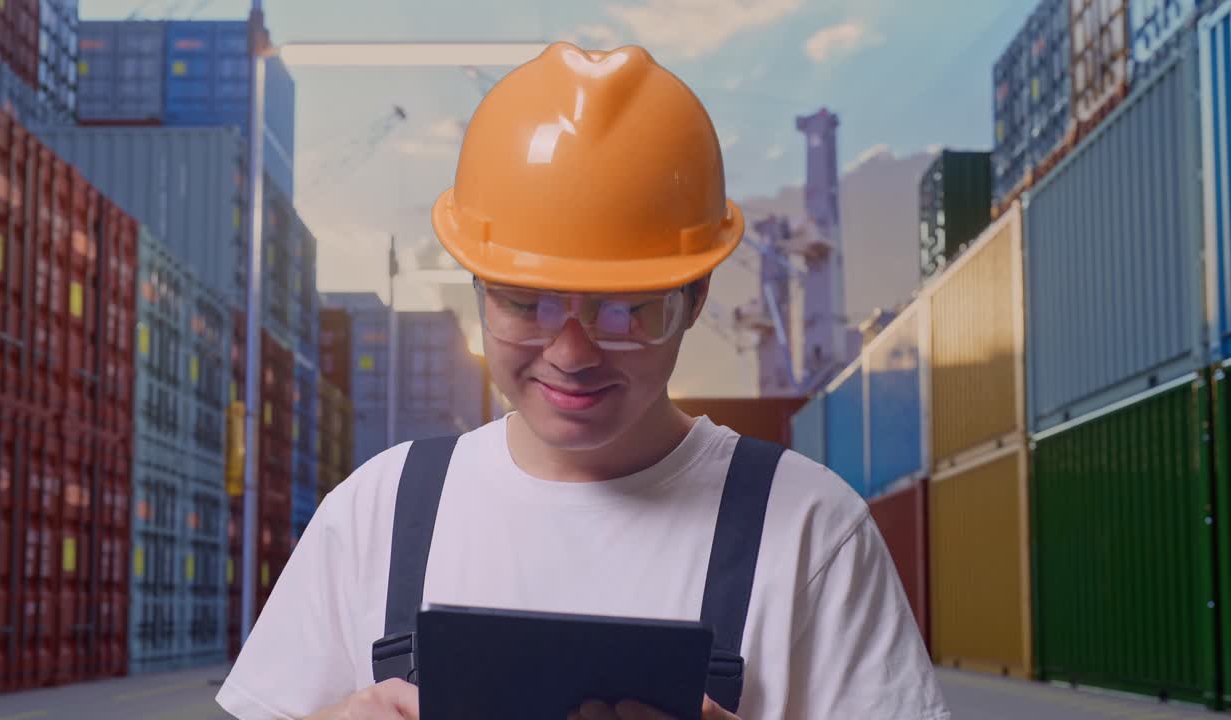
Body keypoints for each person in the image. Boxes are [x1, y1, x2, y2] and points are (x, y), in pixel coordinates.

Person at [216, 41, 950, 720]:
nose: (570, 353)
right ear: (475, 287)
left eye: (626, 311)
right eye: (524, 303)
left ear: (696, 297)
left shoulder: (812, 532)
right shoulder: (376, 515)